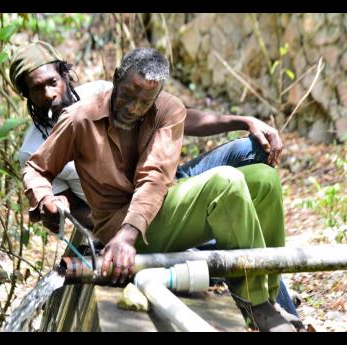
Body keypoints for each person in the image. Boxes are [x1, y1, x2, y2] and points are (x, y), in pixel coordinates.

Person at [21, 47, 300, 332]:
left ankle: (270, 292)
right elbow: (35, 167)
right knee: (225, 183)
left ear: (158, 95)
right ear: (116, 78)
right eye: (128, 94)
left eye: (144, 101)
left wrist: (242, 121)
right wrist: (45, 198)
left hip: (159, 206)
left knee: (264, 179)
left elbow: (155, 175)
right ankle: (254, 302)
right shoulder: (80, 117)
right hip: (122, 227)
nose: (132, 107)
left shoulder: (168, 109)